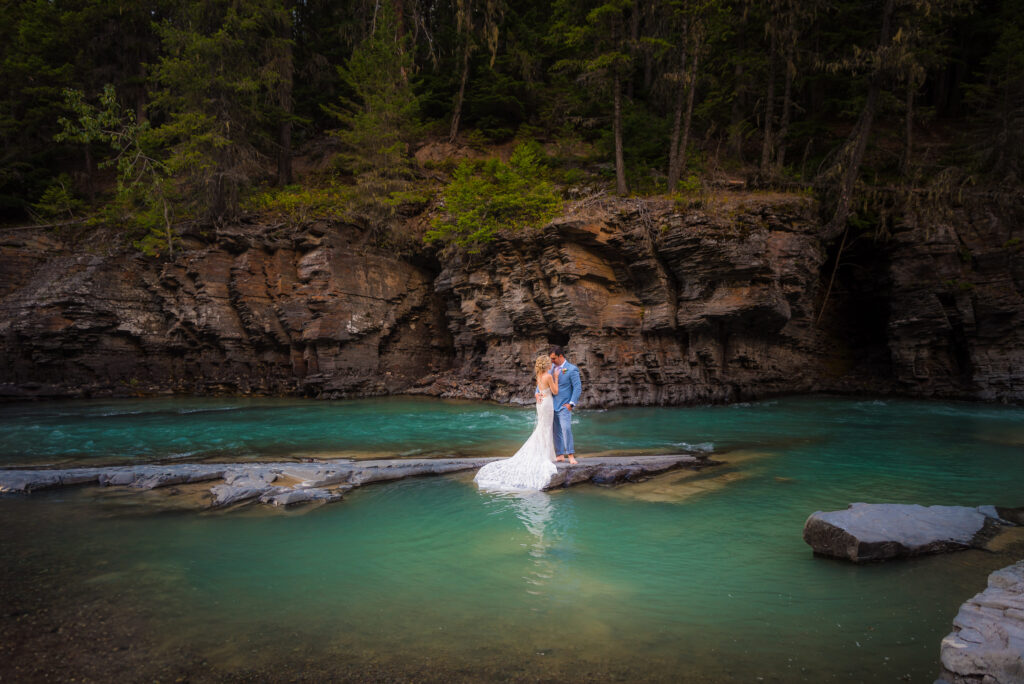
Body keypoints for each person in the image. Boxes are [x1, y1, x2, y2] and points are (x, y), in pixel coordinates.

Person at [474, 355, 560, 491]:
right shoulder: (548, 376)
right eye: (549, 363)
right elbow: (555, 391)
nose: (551, 365)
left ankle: (547, 453)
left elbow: (540, 391)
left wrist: (537, 394)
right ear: (546, 365)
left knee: (542, 428)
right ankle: (546, 455)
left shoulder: (539, 375)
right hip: (547, 403)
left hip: (540, 404)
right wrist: (556, 377)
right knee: (546, 428)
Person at [547, 346, 582, 465]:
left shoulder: (572, 369)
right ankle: (560, 454)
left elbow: (577, 388)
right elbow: (542, 380)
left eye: (553, 358)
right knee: (556, 431)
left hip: (564, 405)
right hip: (551, 405)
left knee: (566, 429)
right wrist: (537, 393)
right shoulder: (550, 368)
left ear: (561, 356)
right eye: (550, 359)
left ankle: (571, 455)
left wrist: (572, 404)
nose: (551, 361)